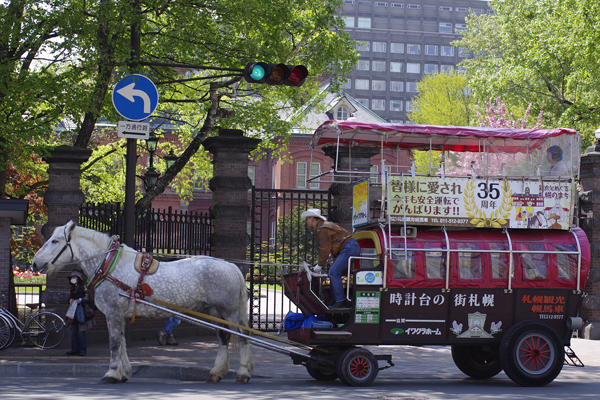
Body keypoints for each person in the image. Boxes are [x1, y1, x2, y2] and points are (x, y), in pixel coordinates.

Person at [301, 208, 361, 309]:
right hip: (350, 246)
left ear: (312, 218)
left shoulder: (321, 229)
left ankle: (340, 301)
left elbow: (324, 250)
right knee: (333, 272)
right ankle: (335, 301)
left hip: (349, 248)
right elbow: (329, 247)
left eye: (307, 218)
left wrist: (318, 266)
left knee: (333, 272)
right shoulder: (323, 226)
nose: (306, 221)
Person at [66, 270, 87, 356]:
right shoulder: (72, 288)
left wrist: (80, 300)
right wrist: (70, 300)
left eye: (74, 277)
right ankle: (74, 349)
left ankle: (82, 349)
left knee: (81, 331)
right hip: (73, 310)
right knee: (73, 331)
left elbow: (87, 297)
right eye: (72, 278)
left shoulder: (83, 287)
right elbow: (70, 297)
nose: (73, 279)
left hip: (80, 310)